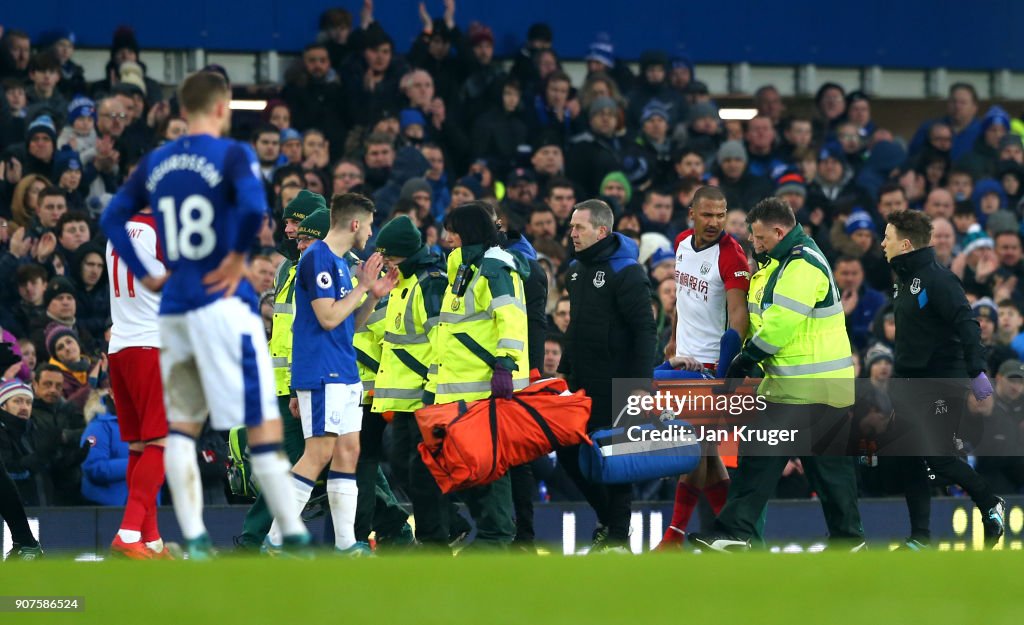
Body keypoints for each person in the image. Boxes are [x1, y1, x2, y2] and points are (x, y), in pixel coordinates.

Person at [100, 70, 310, 559]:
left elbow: (110, 220)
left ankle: (149, 538)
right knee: (163, 442)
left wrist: (145, 275)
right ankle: (130, 533)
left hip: (121, 345)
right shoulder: (184, 215)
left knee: (139, 446)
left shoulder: (128, 228)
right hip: (157, 341)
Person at [690, 197, 864, 552]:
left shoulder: (803, 265)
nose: (754, 243)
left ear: (779, 231)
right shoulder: (777, 265)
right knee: (780, 462)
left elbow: (780, 324)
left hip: (814, 389)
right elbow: (760, 318)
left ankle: (738, 533)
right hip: (794, 387)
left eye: (758, 237)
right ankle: (737, 533)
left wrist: (744, 360)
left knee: (824, 471)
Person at [880, 209, 1006, 548]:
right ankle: (919, 537)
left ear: (905, 244)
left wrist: (977, 372)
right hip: (909, 384)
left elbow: (967, 322)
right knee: (908, 455)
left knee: (938, 457)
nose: (882, 244)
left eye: (887, 238)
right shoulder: (904, 280)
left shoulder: (939, 279)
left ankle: (990, 501)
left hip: (941, 381)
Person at [283, 192, 396, 555]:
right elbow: (327, 317)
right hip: (321, 371)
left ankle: (346, 544)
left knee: (349, 451)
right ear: (354, 223)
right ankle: (276, 539)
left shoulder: (338, 263)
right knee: (318, 454)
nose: (371, 233)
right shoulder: (316, 257)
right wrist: (362, 285)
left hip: (345, 372)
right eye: (370, 224)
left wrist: (373, 295)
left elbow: (349, 324)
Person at [426, 202, 532, 548]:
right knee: (468, 468)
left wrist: (505, 364)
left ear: (468, 232)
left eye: (453, 231)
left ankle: (497, 536)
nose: (447, 238)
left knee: (488, 468)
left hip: (486, 388)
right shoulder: (463, 266)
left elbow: (511, 320)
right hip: (458, 388)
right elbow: (449, 329)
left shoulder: (495, 268)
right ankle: (493, 533)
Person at [558, 199, 657, 552]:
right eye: (571, 227)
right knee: (566, 449)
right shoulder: (575, 271)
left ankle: (616, 538)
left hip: (619, 385)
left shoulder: (626, 272)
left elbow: (645, 330)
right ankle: (608, 520)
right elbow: (575, 329)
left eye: (579, 227)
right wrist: (563, 372)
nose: (572, 233)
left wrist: (641, 386)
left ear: (602, 231)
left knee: (617, 462)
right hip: (581, 383)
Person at [658, 186, 750, 548]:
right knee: (707, 455)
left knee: (693, 451)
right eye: (708, 214)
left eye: (721, 214)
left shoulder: (731, 257)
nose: (714, 222)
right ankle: (735, 535)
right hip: (683, 359)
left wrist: (724, 371)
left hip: (711, 366)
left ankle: (674, 535)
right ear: (692, 213)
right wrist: (673, 338)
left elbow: (739, 316)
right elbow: (682, 298)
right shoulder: (681, 243)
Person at [370, 215, 452, 548]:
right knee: (404, 468)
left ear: (404, 252)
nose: (384, 261)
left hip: (425, 396)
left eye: (388, 255)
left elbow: (441, 340)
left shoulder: (428, 282)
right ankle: (449, 526)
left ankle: (434, 541)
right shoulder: (404, 281)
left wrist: (433, 389)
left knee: (422, 472)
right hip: (407, 399)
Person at [0, 379, 44, 559]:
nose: (24, 407)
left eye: (28, 402)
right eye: (17, 401)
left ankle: (25, 543)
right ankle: (26, 542)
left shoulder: (33, 429)